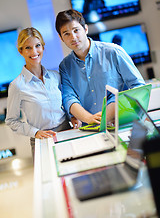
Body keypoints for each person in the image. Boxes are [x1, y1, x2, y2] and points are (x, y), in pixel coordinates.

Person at [55, 9, 145, 125]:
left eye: (76, 30)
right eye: (66, 34)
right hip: (91, 129)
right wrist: (89, 118)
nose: (73, 37)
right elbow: (69, 98)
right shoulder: (65, 66)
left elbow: (138, 87)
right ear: (61, 38)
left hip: (122, 124)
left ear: (85, 29)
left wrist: (116, 113)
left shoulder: (113, 52)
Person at [5, 27, 80, 160]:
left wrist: (72, 117)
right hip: (41, 139)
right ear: (20, 51)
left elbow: (64, 102)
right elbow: (11, 121)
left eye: (37, 46)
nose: (34, 52)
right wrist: (35, 132)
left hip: (66, 132)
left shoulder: (56, 76)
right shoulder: (17, 86)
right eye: (28, 48)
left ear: (43, 48)